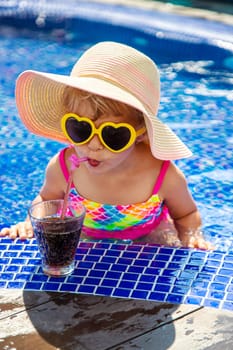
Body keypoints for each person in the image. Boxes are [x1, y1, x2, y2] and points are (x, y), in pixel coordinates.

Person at [0, 41, 212, 249]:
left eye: (112, 134)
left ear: (141, 132)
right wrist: (30, 224)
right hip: (85, 234)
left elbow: (186, 214)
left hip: (148, 234)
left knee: (164, 247)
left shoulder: (162, 175)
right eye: (80, 128)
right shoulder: (63, 168)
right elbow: (46, 199)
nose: (93, 145)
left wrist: (192, 236)